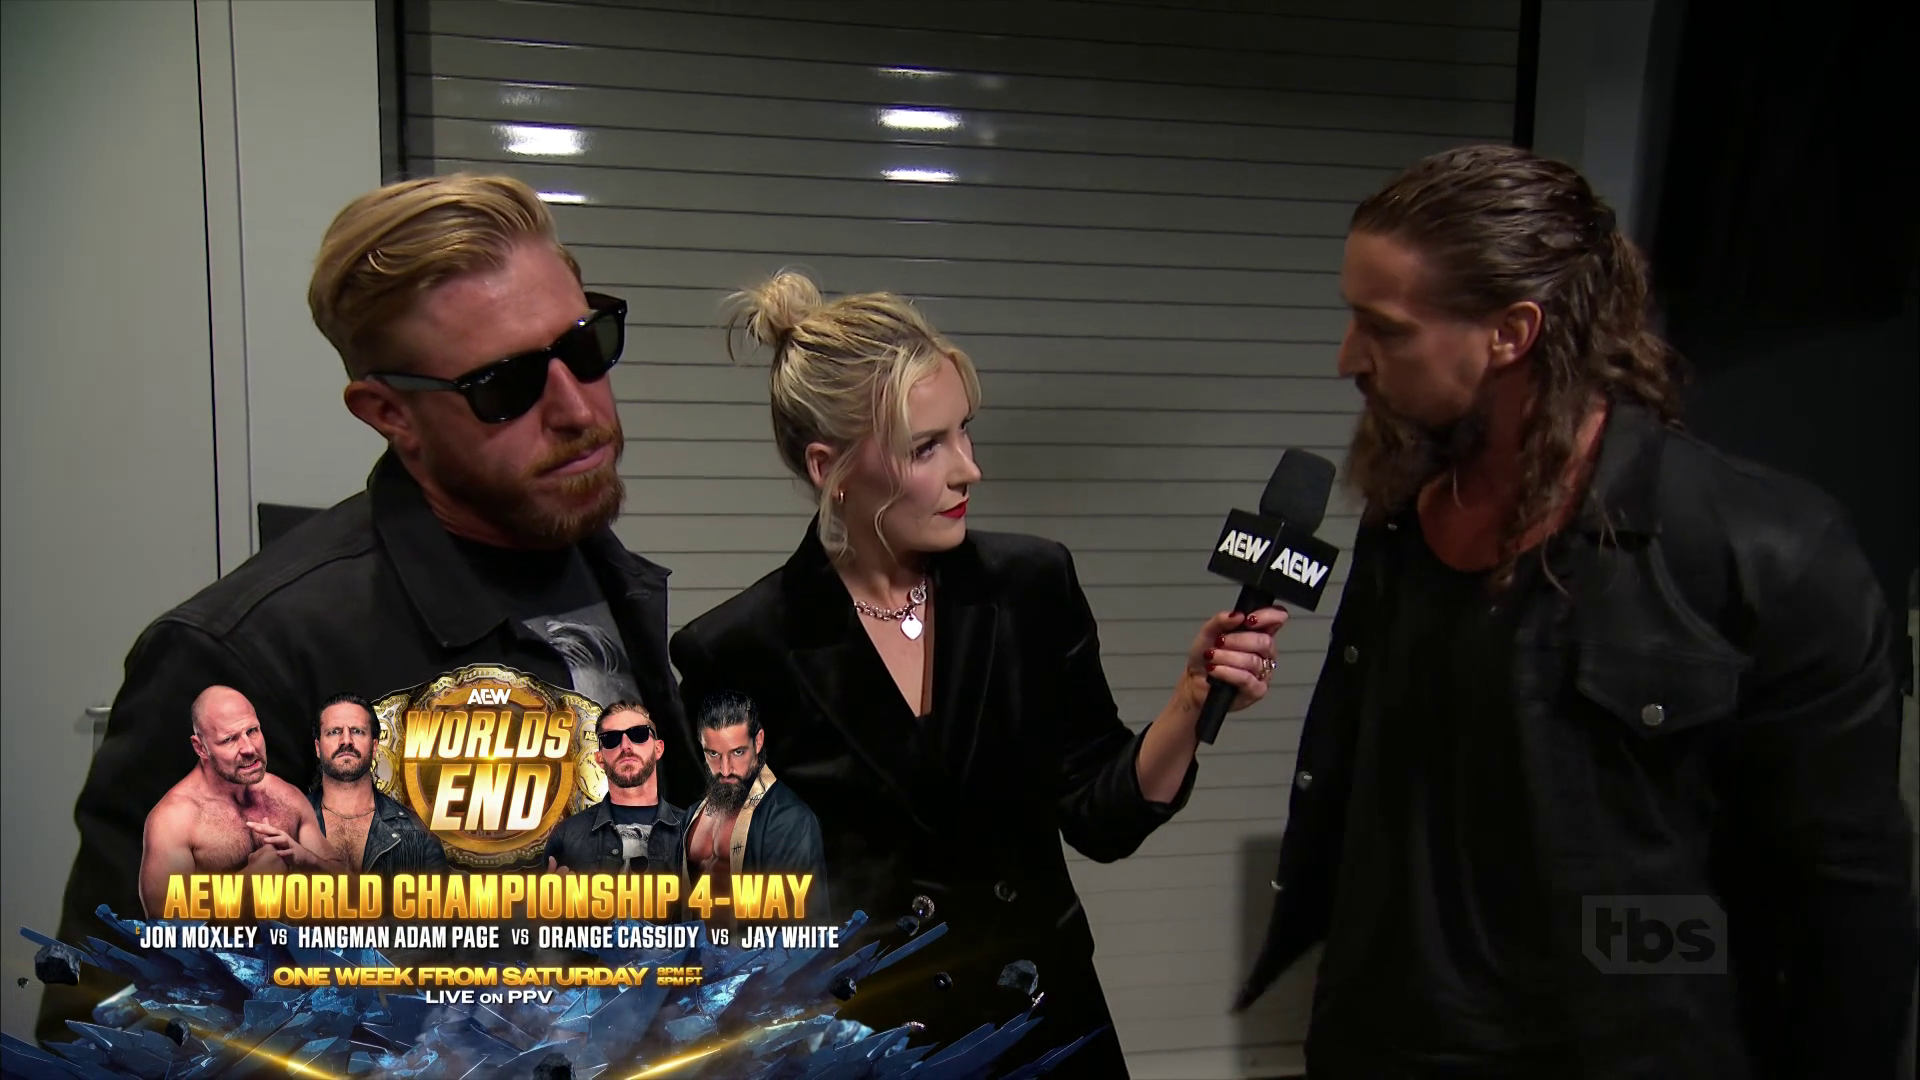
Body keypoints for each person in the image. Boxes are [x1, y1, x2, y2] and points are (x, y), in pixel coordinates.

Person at [1235, 145, 1917, 1079]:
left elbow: (1841, 914)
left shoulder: (1766, 553)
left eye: (1382, 329)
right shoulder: (1400, 519)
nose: (1348, 358)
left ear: (1511, 333)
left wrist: (1635, 967)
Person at [43, 174, 685, 1039]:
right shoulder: (240, 657)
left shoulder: (606, 576)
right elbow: (114, 1032)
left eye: (587, 345)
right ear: (390, 412)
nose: (578, 409)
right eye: (505, 385)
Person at [664, 272, 1286, 1076]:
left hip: (1046, 1027)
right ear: (831, 468)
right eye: (928, 447)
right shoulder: (735, 650)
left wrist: (1191, 703)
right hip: (873, 1050)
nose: (970, 469)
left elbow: (1101, 818)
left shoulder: (1030, 586)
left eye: (965, 432)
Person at [138, 687, 341, 917]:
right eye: (229, 740)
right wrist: (248, 882)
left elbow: (350, 886)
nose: (249, 748)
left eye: (252, 731)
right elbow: (163, 924)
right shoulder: (173, 820)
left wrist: (306, 859)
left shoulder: (286, 797)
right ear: (200, 748)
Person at [681, 692, 830, 921]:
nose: (725, 769)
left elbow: (806, 928)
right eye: (714, 754)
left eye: (738, 752)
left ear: (758, 741)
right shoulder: (692, 815)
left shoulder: (789, 821)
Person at [305, 692, 447, 875]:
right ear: (318, 748)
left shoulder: (418, 833)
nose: (346, 740)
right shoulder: (289, 823)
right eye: (334, 732)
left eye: (357, 731)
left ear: (374, 747)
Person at [545, 700, 687, 875]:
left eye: (639, 734)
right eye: (611, 739)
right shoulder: (567, 835)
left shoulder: (693, 832)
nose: (625, 745)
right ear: (599, 759)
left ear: (658, 749)